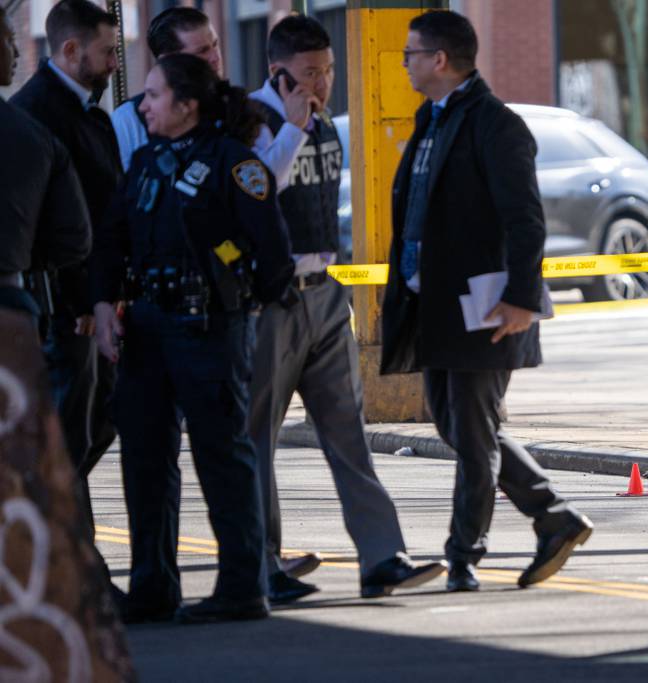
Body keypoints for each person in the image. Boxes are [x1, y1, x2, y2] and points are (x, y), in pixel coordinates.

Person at [382, 10, 593, 593]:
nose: (405, 63)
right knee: (456, 425)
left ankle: (463, 557)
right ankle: (554, 517)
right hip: (437, 304)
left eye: (411, 53)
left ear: (440, 60)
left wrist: (523, 297)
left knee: (474, 435)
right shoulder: (432, 118)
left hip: (487, 307)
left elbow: (525, 219)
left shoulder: (494, 126)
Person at [91, 53, 295, 624]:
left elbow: (272, 256)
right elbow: (111, 237)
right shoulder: (146, 160)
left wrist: (235, 297)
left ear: (187, 106)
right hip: (149, 329)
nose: (145, 104)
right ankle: (153, 588)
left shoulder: (235, 164)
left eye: (154, 95)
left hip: (210, 327)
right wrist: (105, 302)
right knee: (145, 460)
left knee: (221, 459)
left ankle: (240, 588)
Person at [248, 14, 445, 602]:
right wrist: (290, 127)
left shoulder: (326, 123)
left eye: (328, 71)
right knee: (256, 438)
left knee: (348, 433)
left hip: (326, 294)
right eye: (310, 73)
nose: (323, 84)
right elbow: (259, 191)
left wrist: (307, 123)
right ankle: (261, 566)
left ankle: (382, 557)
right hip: (271, 301)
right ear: (278, 73)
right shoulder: (252, 121)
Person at [11, 0, 121, 538]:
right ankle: (74, 564)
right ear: (71, 50)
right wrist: (81, 302)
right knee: (67, 439)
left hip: (96, 303)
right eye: (106, 53)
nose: (114, 65)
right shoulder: (38, 117)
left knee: (98, 425)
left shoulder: (86, 115)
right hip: (67, 312)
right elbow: (57, 230)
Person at [0, 3, 91, 322]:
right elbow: (75, 238)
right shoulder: (35, 137)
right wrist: (20, 252)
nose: (17, 52)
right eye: (9, 40)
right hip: (11, 304)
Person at [110, 6, 222, 170]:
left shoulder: (236, 109)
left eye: (215, 45)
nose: (215, 57)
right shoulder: (129, 120)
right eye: (202, 51)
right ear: (169, 60)